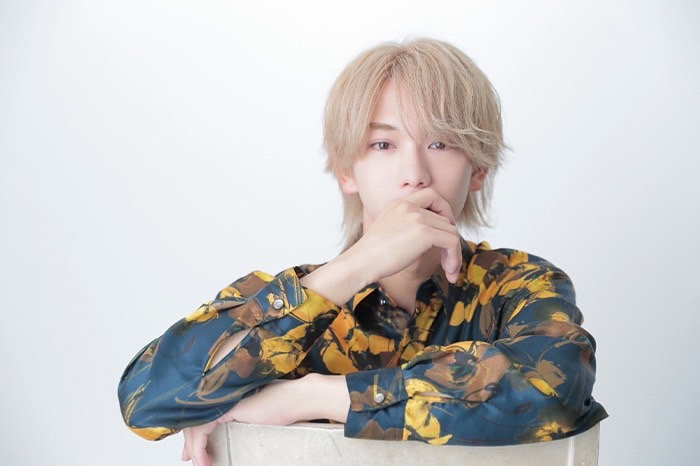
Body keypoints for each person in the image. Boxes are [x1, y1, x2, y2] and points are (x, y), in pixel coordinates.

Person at [118, 38, 608, 466]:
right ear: (346, 171)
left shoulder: (519, 285)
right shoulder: (288, 300)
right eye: (382, 144)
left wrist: (308, 397)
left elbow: (553, 391)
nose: (414, 174)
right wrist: (358, 264)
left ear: (477, 169)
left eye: (440, 143)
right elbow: (148, 402)